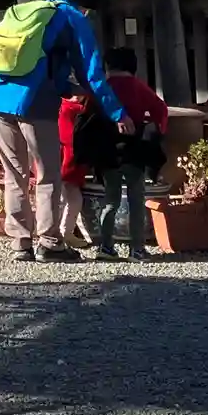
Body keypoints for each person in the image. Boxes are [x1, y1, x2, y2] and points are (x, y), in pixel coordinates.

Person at [0, 0, 133, 262]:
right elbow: (92, 73)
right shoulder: (72, 17)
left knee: (15, 174)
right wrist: (118, 113)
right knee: (48, 174)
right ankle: (49, 242)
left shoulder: (26, 10)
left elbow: (36, 63)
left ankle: (20, 243)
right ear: (85, 7)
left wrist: (66, 88)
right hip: (34, 103)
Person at [66, 47, 171, 259]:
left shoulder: (101, 90)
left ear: (107, 66)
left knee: (110, 200)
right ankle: (137, 249)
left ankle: (106, 247)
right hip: (133, 152)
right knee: (136, 199)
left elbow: (85, 117)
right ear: (133, 66)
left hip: (106, 153)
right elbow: (161, 110)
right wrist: (154, 129)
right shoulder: (139, 87)